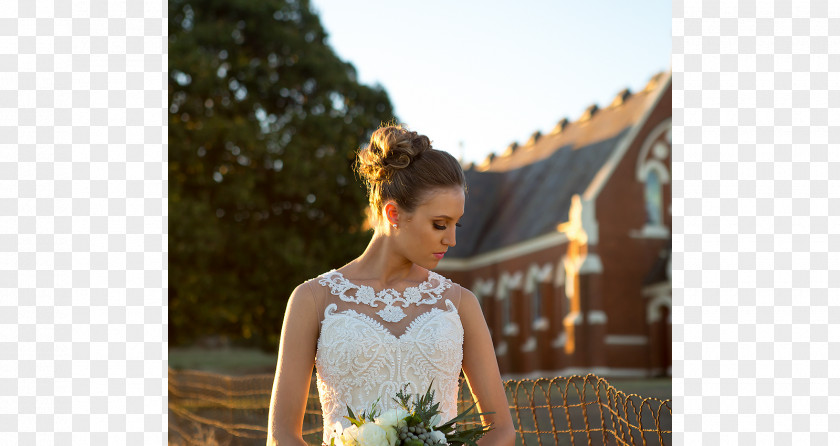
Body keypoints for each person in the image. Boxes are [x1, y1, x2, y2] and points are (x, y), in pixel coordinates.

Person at [266, 125, 515, 446]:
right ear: (394, 213)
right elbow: (281, 435)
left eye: (456, 224)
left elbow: (502, 430)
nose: (451, 240)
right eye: (440, 224)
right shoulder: (312, 299)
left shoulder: (460, 304)